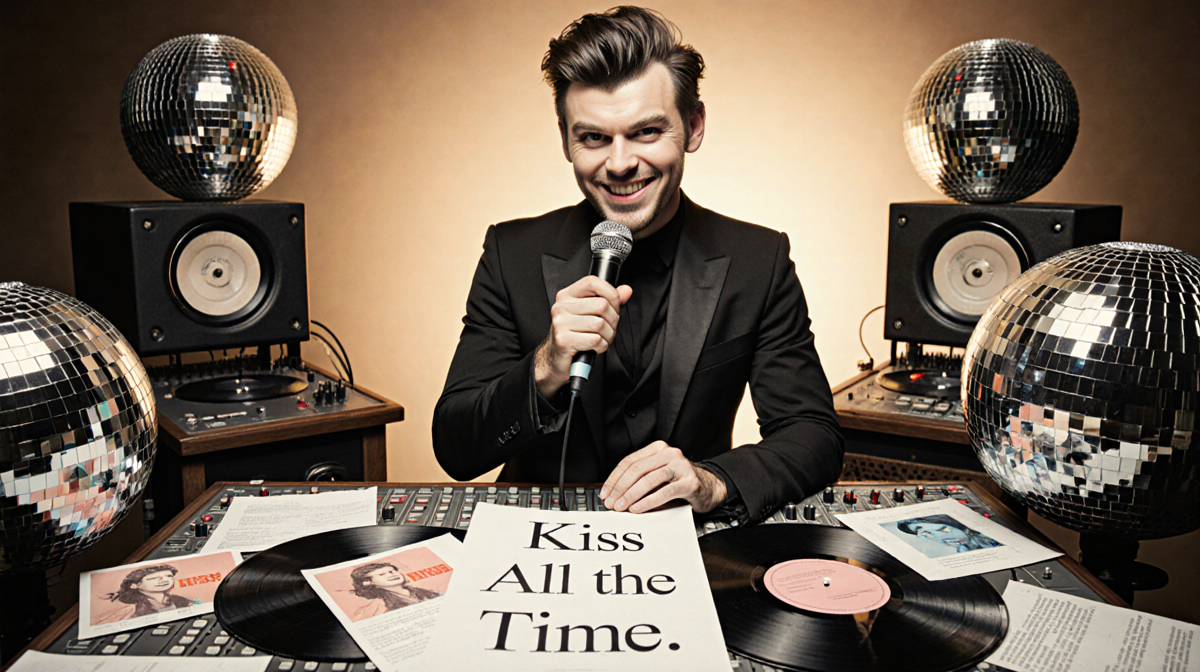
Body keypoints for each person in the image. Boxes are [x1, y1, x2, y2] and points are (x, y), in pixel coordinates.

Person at [433, 6, 843, 525]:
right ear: (565, 139)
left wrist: (711, 481)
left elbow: (813, 434)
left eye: (646, 131)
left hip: (693, 550)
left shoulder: (758, 261)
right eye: (594, 138)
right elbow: (455, 448)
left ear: (692, 126)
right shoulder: (509, 253)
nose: (621, 163)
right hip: (536, 546)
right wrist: (546, 365)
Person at [96, 565, 198, 623]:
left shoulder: (186, 601)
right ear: (134, 585)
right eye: (154, 578)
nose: (164, 580)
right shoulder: (128, 611)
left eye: (169, 576)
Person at [349, 562, 442, 620]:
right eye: (382, 574)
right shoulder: (380, 605)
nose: (391, 575)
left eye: (392, 571)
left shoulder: (422, 591)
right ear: (368, 582)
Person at [894, 515, 1002, 553]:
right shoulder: (964, 549)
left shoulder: (990, 531)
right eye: (918, 533)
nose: (923, 535)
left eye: (920, 528)